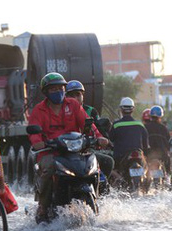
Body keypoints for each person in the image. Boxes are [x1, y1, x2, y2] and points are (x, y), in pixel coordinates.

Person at [28, 72, 110, 223]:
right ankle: (43, 206)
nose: (58, 91)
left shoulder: (73, 105)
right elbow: (34, 131)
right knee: (48, 169)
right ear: (46, 92)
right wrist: (38, 141)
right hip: (50, 151)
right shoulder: (39, 110)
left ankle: (97, 198)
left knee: (94, 165)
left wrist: (98, 137)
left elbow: (88, 124)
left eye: (61, 88)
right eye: (54, 89)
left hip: (75, 150)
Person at [65, 79, 114, 179]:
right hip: (66, 148)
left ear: (82, 95)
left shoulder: (90, 111)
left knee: (108, 161)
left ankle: (101, 188)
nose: (75, 98)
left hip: (86, 147)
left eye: (78, 94)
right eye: (71, 95)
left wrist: (102, 139)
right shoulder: (62, 110)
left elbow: (97, 129)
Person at [110, 97, 149, 171]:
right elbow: (145, 142)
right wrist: (145, 154)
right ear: (133, 109)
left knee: (113, 171)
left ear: (121, 109)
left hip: (120, 156)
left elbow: (111, 139)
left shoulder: (116, 125)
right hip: (139, 154)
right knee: (147, 170)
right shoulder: (140, 124)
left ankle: (119, 180)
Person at [144, 105, 171, 173]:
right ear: (160, 116)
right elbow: (168, 143)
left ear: (150, 116)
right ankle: (168, 177)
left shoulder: (145, 127)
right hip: (162, 155)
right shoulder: (164, 128)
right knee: (168, 164)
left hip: (149, 154)